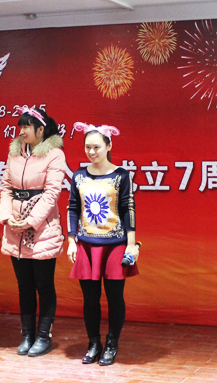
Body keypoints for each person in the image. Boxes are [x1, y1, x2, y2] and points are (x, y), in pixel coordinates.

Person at [67, 122, 139, 366]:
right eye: (87, 147)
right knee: (90, 298)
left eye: (96, 147)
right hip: (86, 245)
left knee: (115, 297)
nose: (91, 151)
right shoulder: (78, 175)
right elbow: (73, 208)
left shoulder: (121, 175)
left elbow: (128, 208)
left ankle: (112, 343)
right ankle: (93, 343)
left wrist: (131, 244)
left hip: (116, 244)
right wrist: (71, 240)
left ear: (109, 146)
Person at [0, 106, 66, 357]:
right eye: (21, 126)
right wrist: (7, 217)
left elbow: (52, 193)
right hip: (15, 226)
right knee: (24, 285)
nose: (22, 131)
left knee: (44, 285)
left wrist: (30, 221)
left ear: (41, 129)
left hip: (42, 228)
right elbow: (5, 187)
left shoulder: (55, 154)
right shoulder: (14, 153)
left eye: (27, 126)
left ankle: (43, 336)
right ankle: (27, 335)